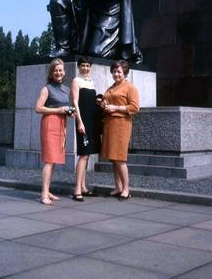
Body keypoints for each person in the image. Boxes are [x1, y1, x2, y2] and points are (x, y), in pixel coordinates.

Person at [35, 58, 74, 205]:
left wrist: (69, 112)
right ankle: (44, 194)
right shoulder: (46, 89)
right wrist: (58, 110)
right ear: (51, 73)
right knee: (49, 160)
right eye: (55, 70)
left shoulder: (66, 89)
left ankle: (48, 190)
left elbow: (64, 107)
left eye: (60, 70)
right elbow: (38, 108)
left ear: (64, 72)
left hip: (61, 125)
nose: (58, 72)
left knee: (54, 161)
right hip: (50, 124)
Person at [99, 60, 139, 200]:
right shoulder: (111, 87)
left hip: (121, 124)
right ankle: (118, 186)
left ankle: (126, 189)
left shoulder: (130, 88)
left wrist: (115, 108)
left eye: (119, 72)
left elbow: (134, 107)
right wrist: (103, 104)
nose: (116, 74)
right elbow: (108, 102)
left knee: (120, 158)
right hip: (110, 123)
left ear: (125, 73)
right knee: (113, 158)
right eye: (114, 71)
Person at [71, 56, 101, 201]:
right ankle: (77, 190)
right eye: (82, 65)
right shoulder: (76, 81)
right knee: (83, 155)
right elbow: (75, 103)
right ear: (78, 67)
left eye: (88, 65)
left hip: (92, 121)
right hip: (83, 122)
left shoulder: (91, 82)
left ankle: (83, 187)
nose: (85, 68)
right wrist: (79, 122)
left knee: (87, 155)